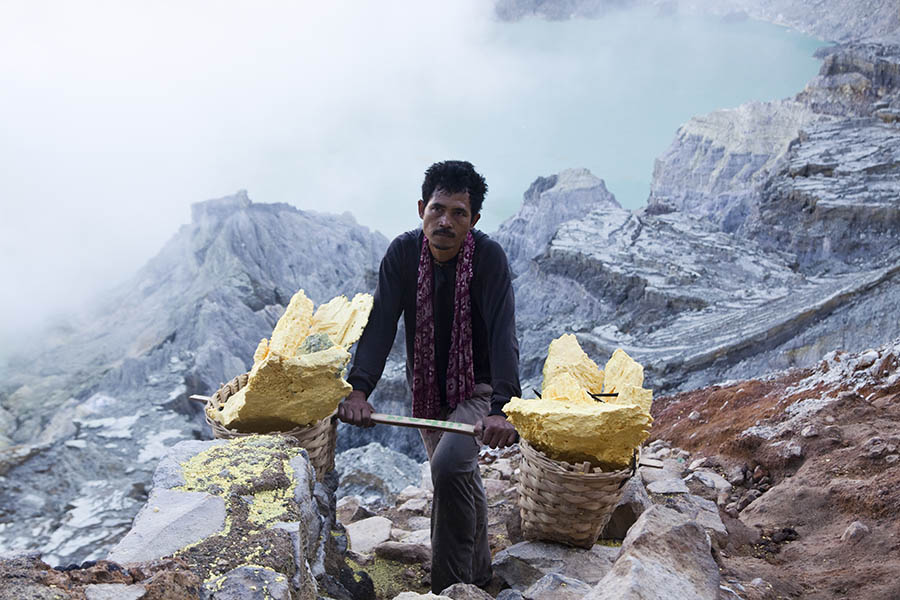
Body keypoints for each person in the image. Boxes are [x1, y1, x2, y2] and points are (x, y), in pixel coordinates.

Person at [338, 160, 521, 593]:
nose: (445, 221)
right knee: (457, 475)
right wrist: (359, 389)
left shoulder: (489, 259)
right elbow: (380, 323)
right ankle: (479, 579)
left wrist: (503, 409)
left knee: (450, 463)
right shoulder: (402, 255)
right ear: (422, 207)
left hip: (480, 388)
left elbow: (503, 333)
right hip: (428, 389)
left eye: (459, 213)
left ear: (473, 220)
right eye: (438, 209)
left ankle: (449, 586)